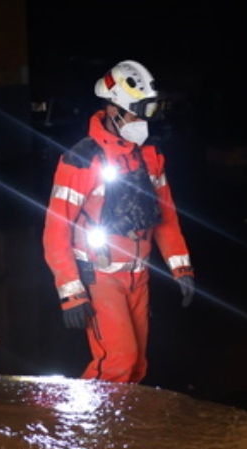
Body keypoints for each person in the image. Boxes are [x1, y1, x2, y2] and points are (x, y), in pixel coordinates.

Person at [42, 59, 195, 384]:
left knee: (137, 364)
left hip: (138, 275)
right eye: (137, 112)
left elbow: (165, 216)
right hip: (99, 277)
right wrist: (71, 293)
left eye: (148, 113)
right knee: (117, 362)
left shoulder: (149, 158)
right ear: (114, 111)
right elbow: (56, 230)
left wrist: (181, 267)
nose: (143, 122)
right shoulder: (81, 160)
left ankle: (121, 429)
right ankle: (86, 431)